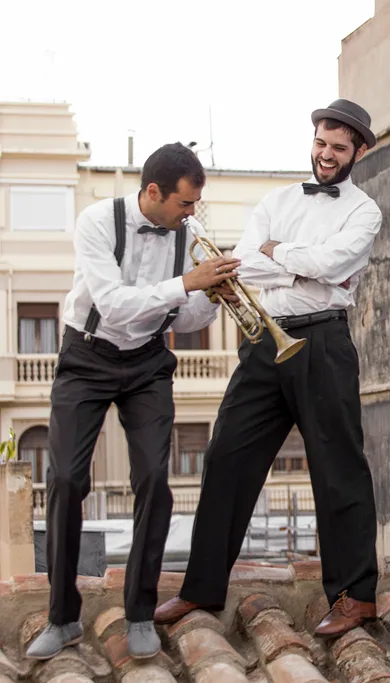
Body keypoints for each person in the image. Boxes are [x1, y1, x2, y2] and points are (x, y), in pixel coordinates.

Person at [154, 99, 383, 637]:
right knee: (226, 456)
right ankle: (201, 590)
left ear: (360, 152)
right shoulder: (275, 199)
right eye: (321, 144)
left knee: (337, 468)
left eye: (339, 149)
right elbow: (245, 264)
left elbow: (334, 267)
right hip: (263, 341)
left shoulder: (363, 210)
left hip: (324, 341)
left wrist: (279, 254)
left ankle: (355, 598)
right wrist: (294, 263)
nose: (327, 156)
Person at [27, 143, 238, 660]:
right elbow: (115, 305)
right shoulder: (97, 222)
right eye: (185, 204)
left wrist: (211, 301)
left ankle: (140, 612)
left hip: (147, 363)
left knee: (152, 480)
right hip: (87, 357)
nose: (192, 214)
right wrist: (187, 283)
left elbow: (179, 318)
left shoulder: (186, 237)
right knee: (67, 480)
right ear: (153, 192)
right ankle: (62, 617)